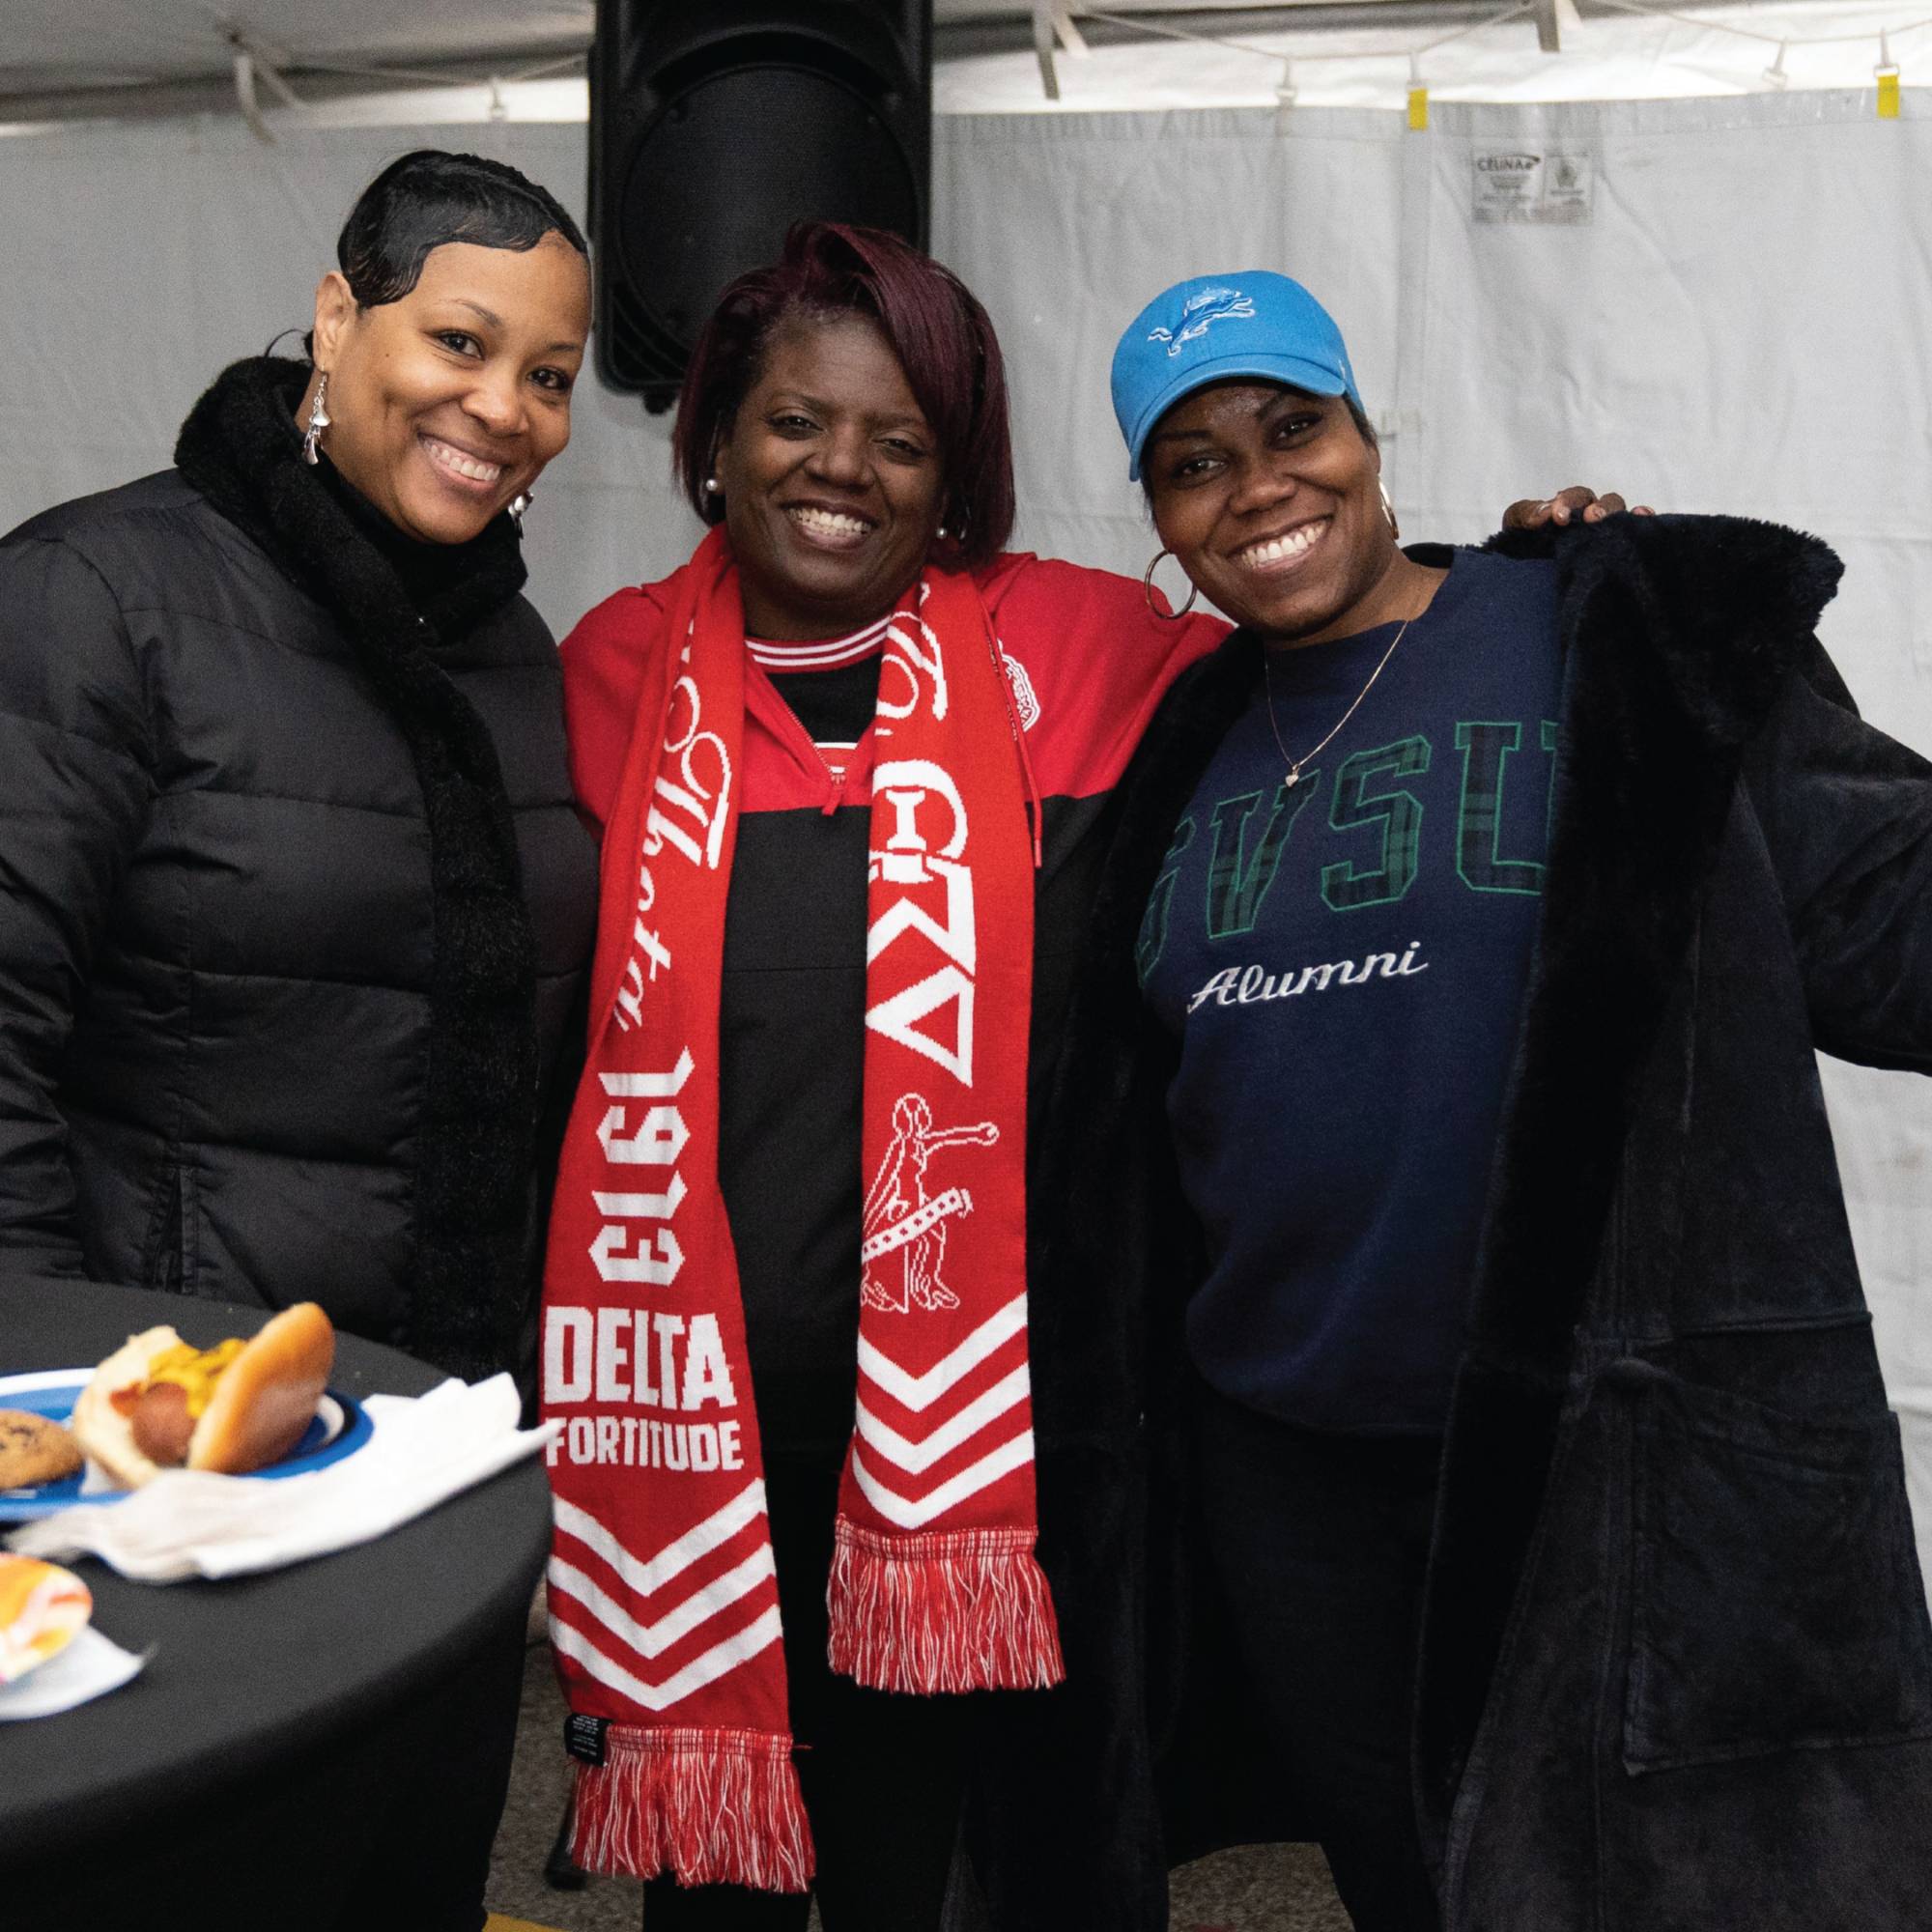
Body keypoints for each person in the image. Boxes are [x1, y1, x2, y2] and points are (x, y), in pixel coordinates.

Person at [537, 222, 1621, 1931]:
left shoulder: (1085, 641)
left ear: (957, 475)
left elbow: (1338, 632)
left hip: (961, 1448)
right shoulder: (604, 674)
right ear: (716, 440)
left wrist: (1546, 577)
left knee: (919, 1874)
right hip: (693, 1415)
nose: (843, 470)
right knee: (708, 1897)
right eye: (796, 422)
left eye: (903, 440)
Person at [996, 267, 1932, 1931]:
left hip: (1604, 1450)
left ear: (1369, 435)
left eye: (1294, 427)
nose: (1258, 485)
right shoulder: (1177, 749)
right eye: (1196, 464)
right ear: (1160, 520)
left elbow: (1884, 914)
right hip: (1289, 1479)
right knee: (1414, 1889)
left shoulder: (1602, 629)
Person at [0, 150, 598, 1927]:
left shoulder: (514, 653)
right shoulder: (98, 595)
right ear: (338, 320)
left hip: (430, 1474)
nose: (502, 409)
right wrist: (60, 1432)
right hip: (167, 1491)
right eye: (460, 342)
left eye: (550, 375)